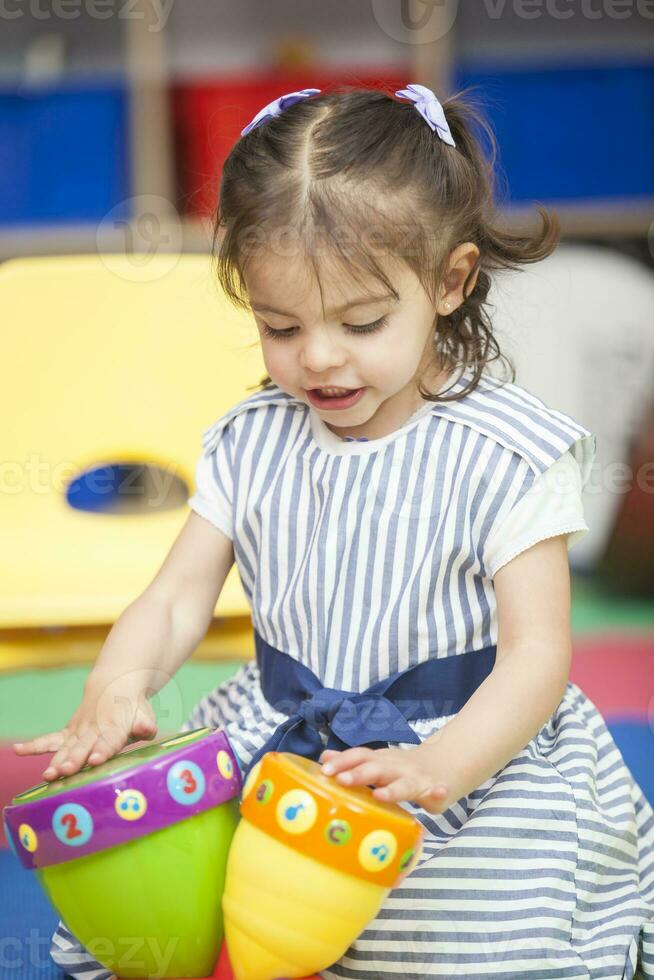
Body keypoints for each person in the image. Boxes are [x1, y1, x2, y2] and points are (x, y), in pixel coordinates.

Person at [14, 83, 653, 980]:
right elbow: (171, 599)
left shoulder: (506, 452)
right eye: (280, 326)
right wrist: (120, 685)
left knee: (467, 950)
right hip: (280, 734)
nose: (316, 357)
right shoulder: (253, 436)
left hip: (465, 756)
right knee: (157, 924)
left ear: (450, 281)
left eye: (361, 323)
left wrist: (441, 765)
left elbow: (537, 657)